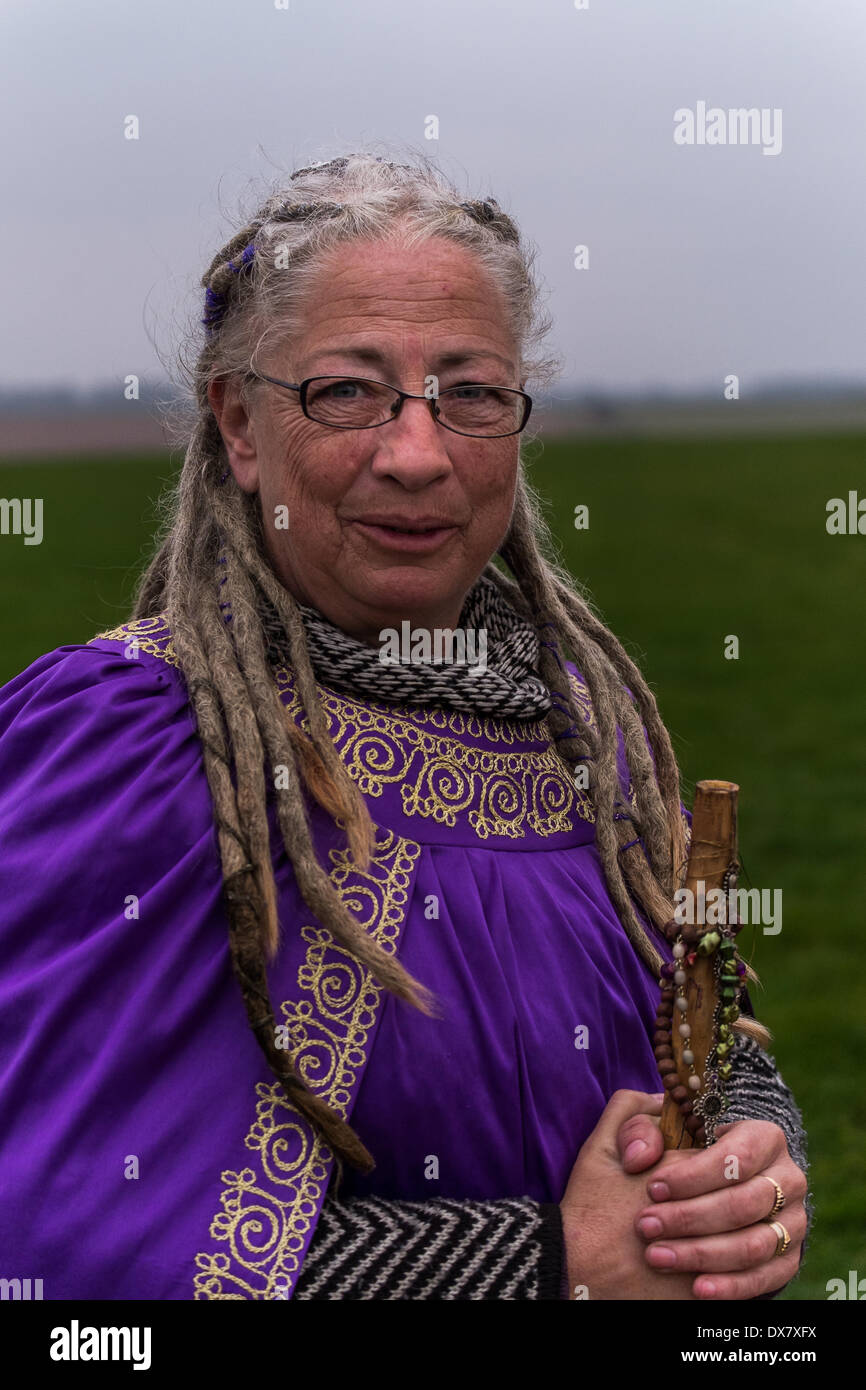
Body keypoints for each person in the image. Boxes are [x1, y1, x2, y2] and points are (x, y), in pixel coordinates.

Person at [0, 151, 809, 1301]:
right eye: (346, 391)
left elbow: (711, 1043)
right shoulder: (131, 747)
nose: (417, 453)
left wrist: (748, 1174)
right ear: (237, 422)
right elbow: (58, 1249)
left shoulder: (593, 741)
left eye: (470, 394)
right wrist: (540, 1264)